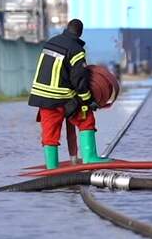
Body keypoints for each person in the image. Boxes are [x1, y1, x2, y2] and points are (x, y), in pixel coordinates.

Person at [28, 18, 101, 169]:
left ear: (67, 29)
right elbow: (79, 79)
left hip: (42, 96)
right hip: (62, 97)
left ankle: (51, 168)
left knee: (49, 132)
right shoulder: (76, 49)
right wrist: (88, 100)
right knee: (86, 119)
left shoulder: (51, 42)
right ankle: (90, 159)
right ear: (80, 33)